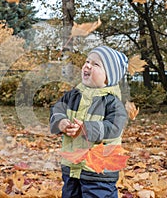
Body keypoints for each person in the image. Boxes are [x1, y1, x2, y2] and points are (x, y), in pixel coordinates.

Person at [50, 46, 129, 198]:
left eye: (95, 64)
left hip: (99, 172)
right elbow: (56, 109)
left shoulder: (112, 102)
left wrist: (85, 129)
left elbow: (114, 128)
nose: (87, 66)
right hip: (72, 167)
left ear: (108, 77)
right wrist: (60, 122)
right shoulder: (73, 96)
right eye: (87, 61)